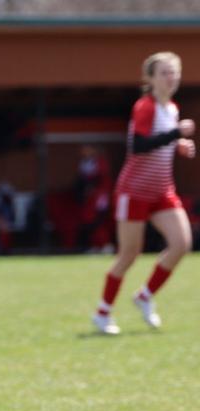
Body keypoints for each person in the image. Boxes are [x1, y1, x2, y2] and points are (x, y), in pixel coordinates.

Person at [92, 51, 195, 335]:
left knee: (181, 244)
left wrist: (178, 146)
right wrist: (176, 135)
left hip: (161, 191)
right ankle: (102, 312)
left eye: (174, 72)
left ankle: (145, 296)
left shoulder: (171, 108)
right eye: (164, 72)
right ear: (150, 78)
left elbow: (159, 144)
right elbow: (139, 145)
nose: (171, 77)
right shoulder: (145, 106)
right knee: (129, 254)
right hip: (134, 191)